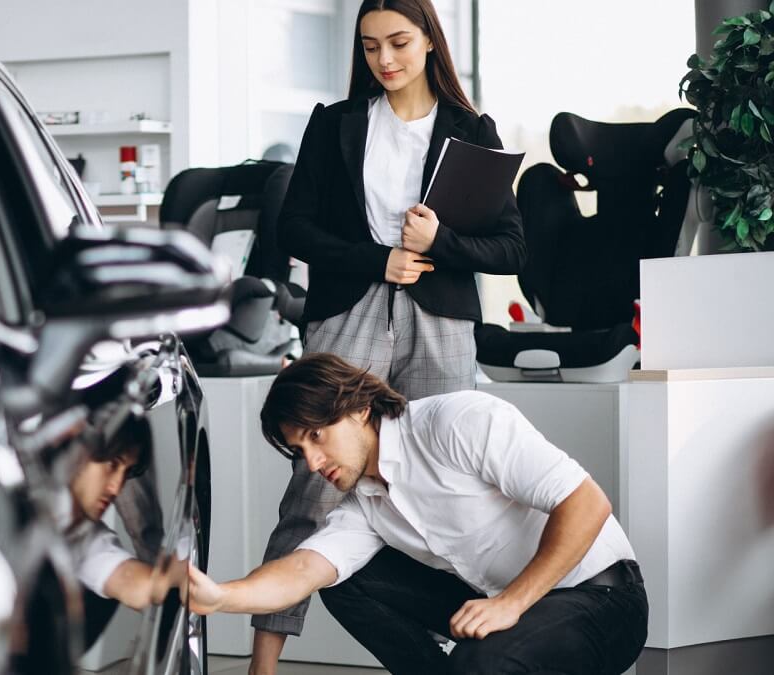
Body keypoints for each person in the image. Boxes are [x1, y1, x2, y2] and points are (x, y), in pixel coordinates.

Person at [253, 0, 527, 669]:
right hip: (349, 309)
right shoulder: (337, 124)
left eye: (399, 43)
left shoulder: (472, 129)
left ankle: (468, 655)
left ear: (430, 40)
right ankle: (261, 664)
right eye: (371, 46)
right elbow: (295, 229)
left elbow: (511, 245)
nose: (385, 60)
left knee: (448, 486)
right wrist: (378, 259)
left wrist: (443, 241)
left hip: (439, 319)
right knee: (312, 490)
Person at [191, 353, 648, 674]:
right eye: (298, 449)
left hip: (603, 600)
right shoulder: (364, 502)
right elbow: (303, 569)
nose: (311, 462)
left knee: (480, 662)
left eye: (316, 435)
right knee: (346, 581)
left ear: (358, 407)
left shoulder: (456, 422)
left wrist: (511, 605)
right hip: (505, 604)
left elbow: (587, 503)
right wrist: (220, 597)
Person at [60, 412, 167, 649]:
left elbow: (128, 579)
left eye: (126, 473)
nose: (116, 488)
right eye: (112, 465)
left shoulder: (81, 532)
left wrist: (185, 584)